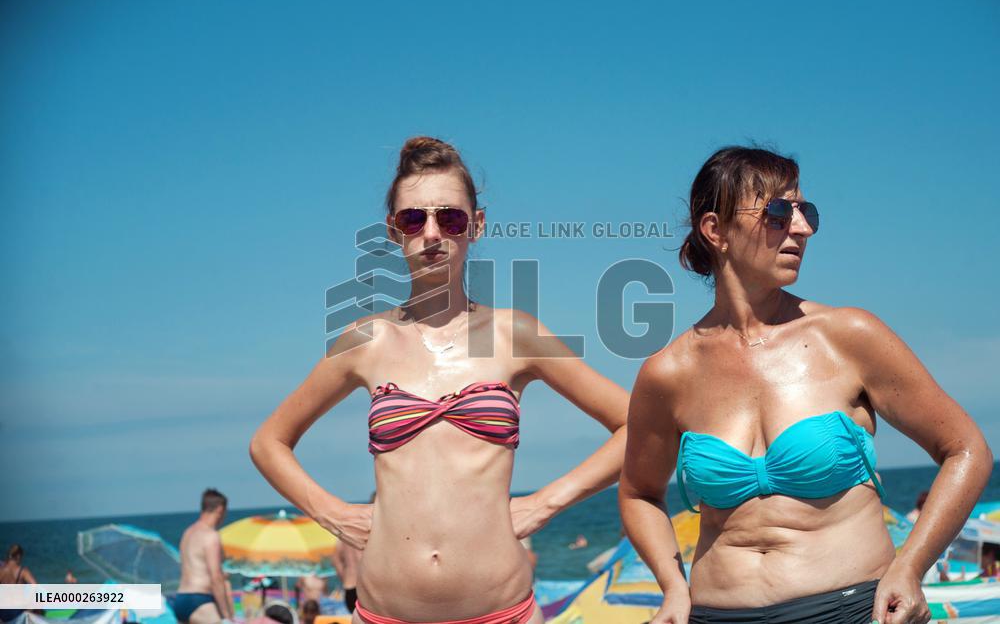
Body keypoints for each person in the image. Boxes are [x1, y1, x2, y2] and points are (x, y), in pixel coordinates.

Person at [250, 136, 630, 624]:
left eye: (449, 218)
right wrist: (333, 514)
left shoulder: (514, 333)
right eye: (414, 218)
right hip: (385, 614)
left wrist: (545, 503)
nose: (432, 233)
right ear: (393, 230)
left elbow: (637, 424)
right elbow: (269, 442)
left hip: (504, 614)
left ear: (476, 225)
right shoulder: (364, 339)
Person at [619, 146, 994, 624]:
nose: (802, 228)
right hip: (716, 615)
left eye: (805, 211)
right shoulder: (668, 372)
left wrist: (911, 566)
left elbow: (965, 449)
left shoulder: (848, 336)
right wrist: (672, 589)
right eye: (778, 212)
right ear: (715, 231)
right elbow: (639, 494)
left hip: (853, 609)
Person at [174, 489, 235, 624]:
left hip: (181, 599)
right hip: (200, 600)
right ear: (220, 510)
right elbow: (215, 577)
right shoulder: (210, 536)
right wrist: (226, 616)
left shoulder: (188, 533)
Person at [0, 544, 37, 623]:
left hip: (3, 612)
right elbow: (35, 585)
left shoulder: (1, 571)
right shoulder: (23, 571)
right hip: (16, 612)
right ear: (18, 556)